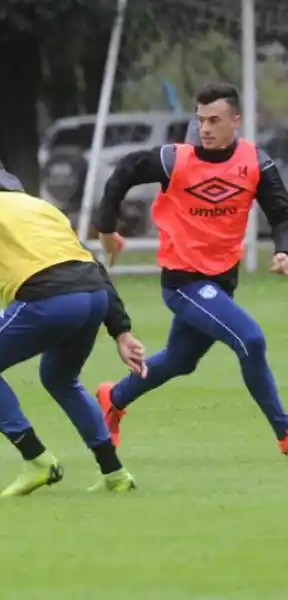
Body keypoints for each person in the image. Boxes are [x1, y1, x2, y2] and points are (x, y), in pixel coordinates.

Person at [94, 82, 288, 452]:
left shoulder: (255, 162)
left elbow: (282, 215)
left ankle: (113, 398)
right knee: (251, 339)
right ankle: (285, 432)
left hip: (221, 281)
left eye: (214, 120)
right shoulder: (175, 159)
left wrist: (284, 249)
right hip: (183, 281)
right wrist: (106, 229)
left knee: (180, 361)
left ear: (236, 121)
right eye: (200, 120)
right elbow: (124, 171)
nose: (205, 128)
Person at [0, 153, 145, 496]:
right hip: (94, 297)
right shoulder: (41, 208)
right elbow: (92, 264)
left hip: (50, 299)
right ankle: (114, 473)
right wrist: (121, 330)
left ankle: (36, 459)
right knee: (60, 378)